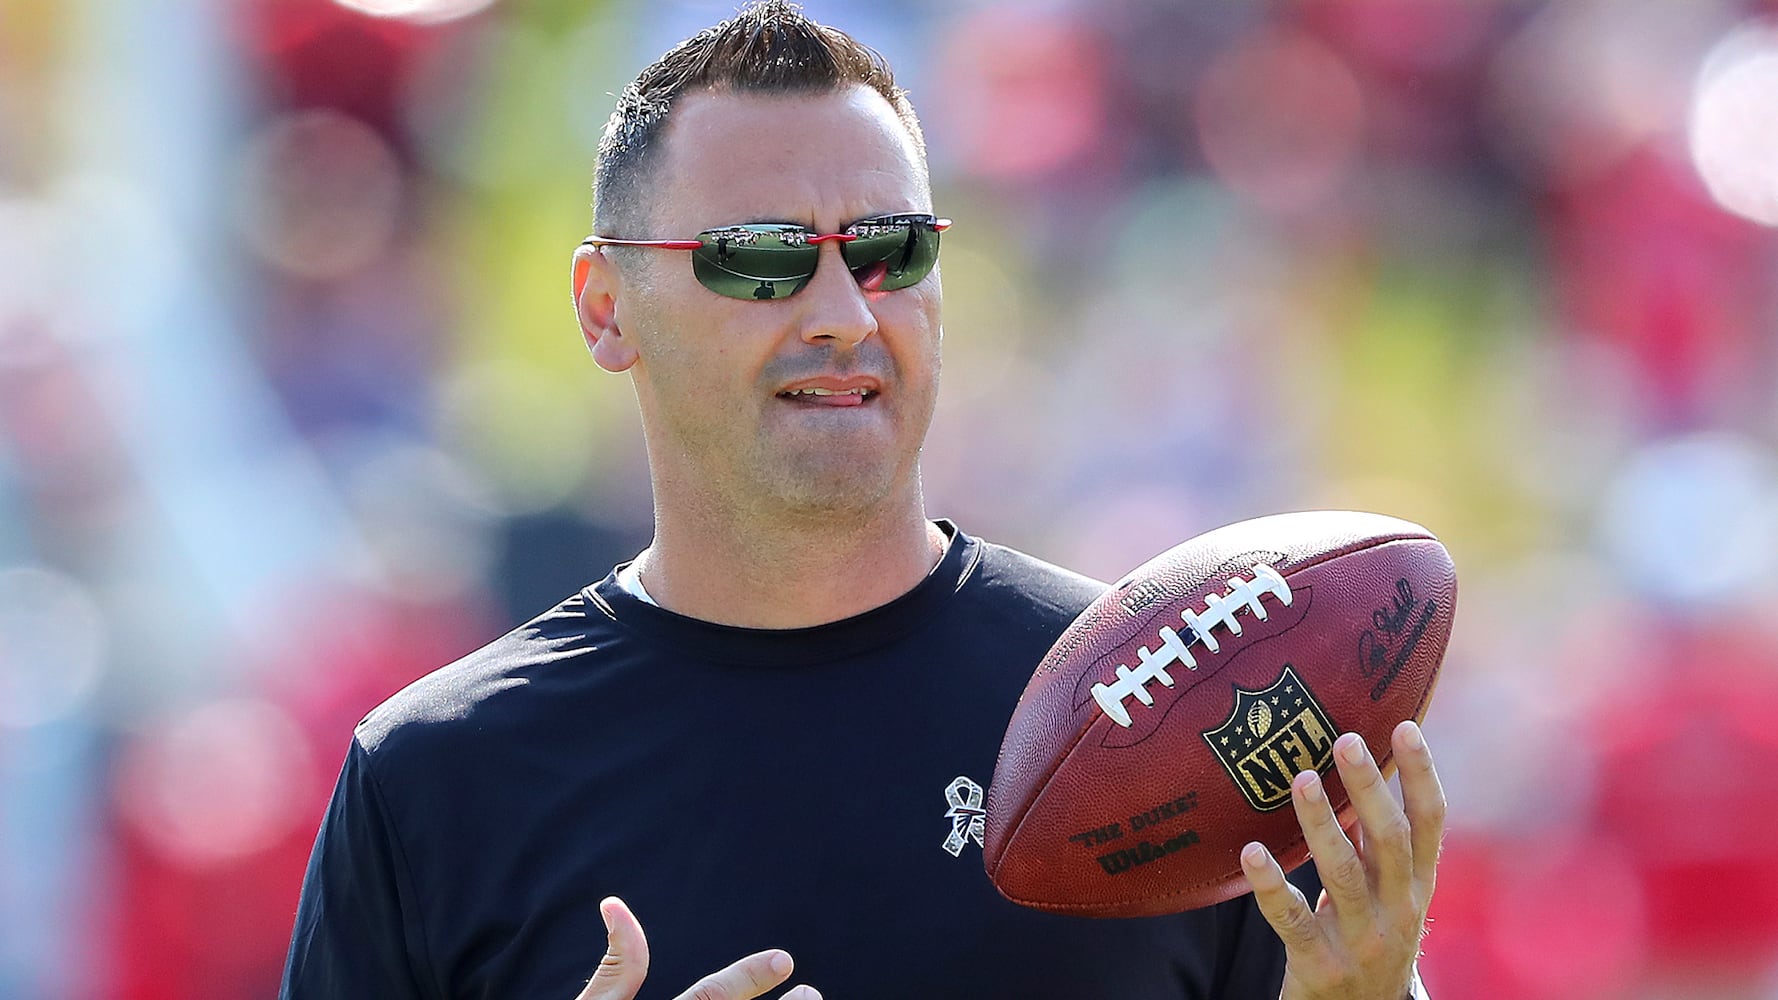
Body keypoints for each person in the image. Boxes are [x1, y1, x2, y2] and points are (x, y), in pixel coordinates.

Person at [280, 3, 1444, 998]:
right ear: (605, 305)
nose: (843, 312)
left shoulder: (1151, 713)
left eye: (890, 248)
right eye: (761, 256)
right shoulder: (438, 780)